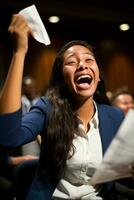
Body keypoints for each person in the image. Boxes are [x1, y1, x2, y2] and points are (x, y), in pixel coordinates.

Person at [0, 14, 134, 200]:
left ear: (98, 76)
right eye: (71, 61)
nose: (81, 65)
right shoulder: (47, 109)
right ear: (62, 80)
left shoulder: (114, 116)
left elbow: (121, 177)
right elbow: (8, 137)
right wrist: (19, 52)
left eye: (89, 60)